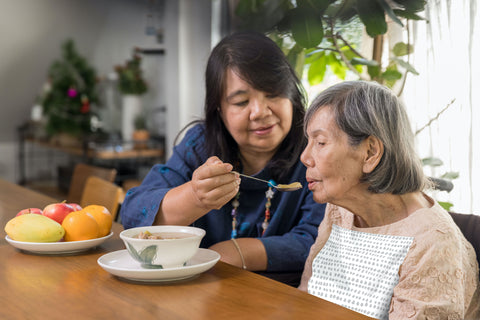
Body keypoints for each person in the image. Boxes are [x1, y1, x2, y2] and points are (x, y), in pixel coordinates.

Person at [120, 31, 326, 279]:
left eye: (272, 94)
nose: (260, 112)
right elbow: (133, 215)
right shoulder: (200, 144)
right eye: (241, 102)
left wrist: (238, 252)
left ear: (292, 93)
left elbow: (320, 238)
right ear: (219, 108)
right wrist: (195, 197)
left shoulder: (316, 150)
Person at [298, 80, 479, 319]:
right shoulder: (340, 210)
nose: (305, 157)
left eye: (320, 143)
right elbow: (306, 297)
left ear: (370, 152)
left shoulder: (432, 243)